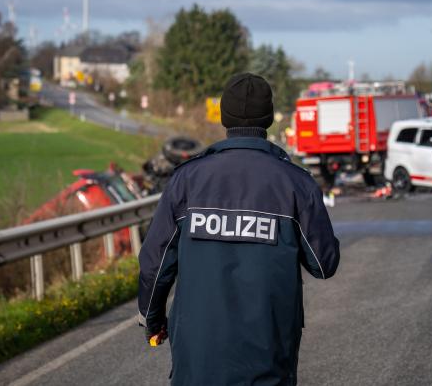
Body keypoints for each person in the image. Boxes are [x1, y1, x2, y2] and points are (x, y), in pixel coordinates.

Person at [138, 73, 340, 385]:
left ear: (223, 115)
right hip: (269, 358)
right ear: (269, 118)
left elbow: (155, 262)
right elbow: (324, 264)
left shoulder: (186, 180)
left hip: (197, 360)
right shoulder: (296, 183)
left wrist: (153, 321)